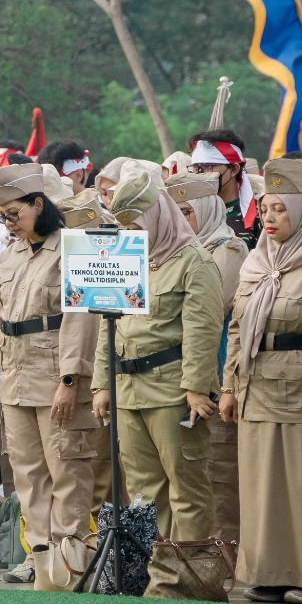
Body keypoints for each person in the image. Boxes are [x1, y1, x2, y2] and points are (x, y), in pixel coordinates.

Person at [220, 158, 302, 603]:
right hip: (257, 384)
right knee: (262, 484)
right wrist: (229, 386)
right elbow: (238, 328)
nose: (272, 217)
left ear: (301, 210)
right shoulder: (257, 261)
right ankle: (270, 573)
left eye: (281, 208)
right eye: (267, 208)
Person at [0, 164, 97, 585]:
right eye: (2, 216)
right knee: (26, 473)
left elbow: (80, 318)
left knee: (66, 467)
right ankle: (39, 554)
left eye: (14, 214)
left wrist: (70, 380)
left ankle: (71, 558)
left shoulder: (72, 249)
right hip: (14, 372)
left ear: (38, 204)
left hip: (53, 372)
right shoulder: (10, 253)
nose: (7, 224)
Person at [93, 165, 224, 542]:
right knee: (143, 492)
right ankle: (156, 574)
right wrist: (102, 383)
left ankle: (193, 573)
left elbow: (203, 331)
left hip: (173, 392)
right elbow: (110, 325)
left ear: (157, 217)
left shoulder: (193, 261)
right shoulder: (129, 258)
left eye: (137, 227)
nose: (131, 236)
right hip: (128, 390)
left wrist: (197, 388)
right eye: (126, 229)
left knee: (186, 487)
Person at [166, 171, 249, 542]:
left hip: (214, 372)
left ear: (207, 209)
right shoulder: (168, 254)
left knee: (219, 469)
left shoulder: (228, 249)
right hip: (174, 373)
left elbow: (210, 308)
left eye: (188, 212)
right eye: (175, 212)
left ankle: (226, 552)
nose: (181, 221)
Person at [190, 129, 260, 249]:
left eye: (208, 166)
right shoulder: (190, 213)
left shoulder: (261, 213)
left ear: (233, 170)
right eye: (196, 167)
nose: (201, 173)